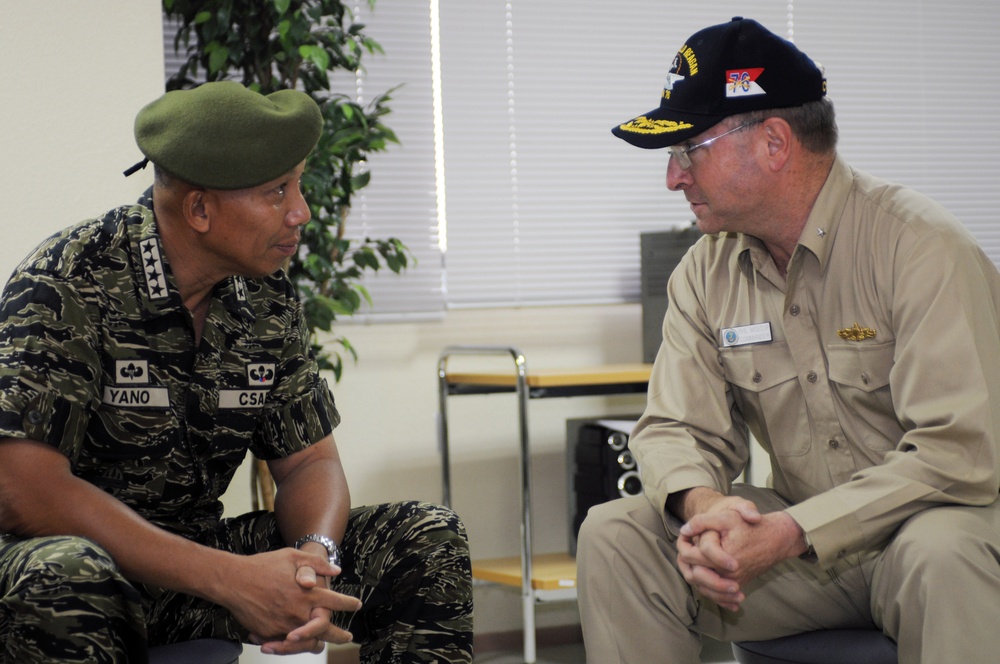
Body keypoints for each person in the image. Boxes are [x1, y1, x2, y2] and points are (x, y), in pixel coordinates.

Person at [0, 81, 473, 664]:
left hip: (194, 565)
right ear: (199, 208)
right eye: (278, 191)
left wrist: (313, 564)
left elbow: (309, 462)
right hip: (65, 568)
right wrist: (228, 578)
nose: (301, 211)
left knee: (422, 538)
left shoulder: (265, 296)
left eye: (297, 184)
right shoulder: (69, 280)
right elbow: (23, 491)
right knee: (67, 573)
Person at [577, 16, 1000, 664]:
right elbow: (672, 429)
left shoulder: (919, 248)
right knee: (617, 534)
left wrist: (794, 531)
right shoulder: (706, 270)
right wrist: (712, 509)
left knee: (941, 554)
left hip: (935, 526)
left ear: (773, 142)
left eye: (689, 150)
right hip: (802, 551)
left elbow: (958, 454)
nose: (673, 177)